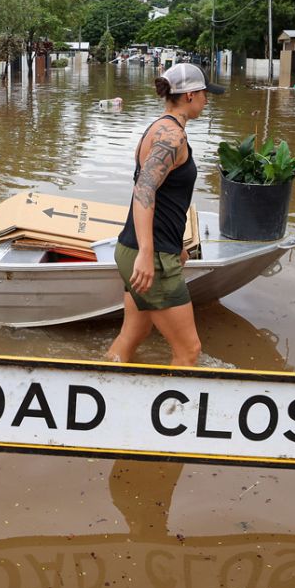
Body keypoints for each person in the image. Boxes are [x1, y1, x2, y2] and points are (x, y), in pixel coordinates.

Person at [104, 62, 223, 367]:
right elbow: (144, 193)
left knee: (134, 333)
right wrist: (149, 253)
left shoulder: (158, 128)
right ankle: (173, 412)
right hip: (149, 257)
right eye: (204, 94)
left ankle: (105, 381)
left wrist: (175, 244)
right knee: (189, 350)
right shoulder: (172, 138)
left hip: (134, 248)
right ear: (189, 96)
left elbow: (163, 195)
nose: (207, 100)